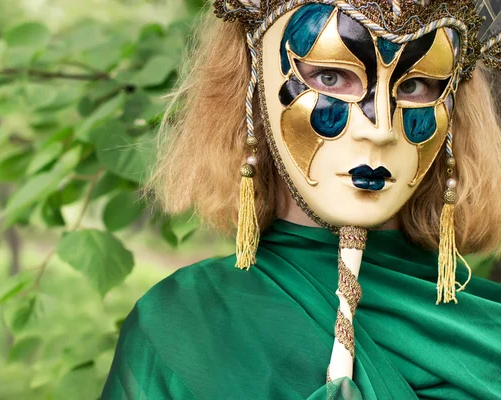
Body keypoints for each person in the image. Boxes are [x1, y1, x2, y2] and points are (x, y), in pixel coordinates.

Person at [102, 1, 501, 398]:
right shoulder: (184, 325)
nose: (380, 129)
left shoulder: (490, 331)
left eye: (414, 85)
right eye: (330, 76)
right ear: (252, 87)